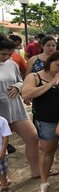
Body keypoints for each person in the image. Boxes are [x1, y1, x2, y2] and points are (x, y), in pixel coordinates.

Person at [22, 51, 59, 192]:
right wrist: (51, 84)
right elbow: (27, 94)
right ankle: (44, 183)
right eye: (58, 65)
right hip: (47, 120)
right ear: (49, 62)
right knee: (47, 151)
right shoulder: (35, 76)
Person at [0, 35, 40, 182]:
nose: (6, 57)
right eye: (3, 54)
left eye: (9, 54)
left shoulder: (12, 64)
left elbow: (20, 81)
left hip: (15, 107)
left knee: (33, 137)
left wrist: (18, 87)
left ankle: (36, 170)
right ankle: (3, 178)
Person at [0, 115, 12, 192]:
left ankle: (4, 186)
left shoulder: (2, 121)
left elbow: (6, 137)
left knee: (2, 171)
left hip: (0, 151)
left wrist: (3, 151)